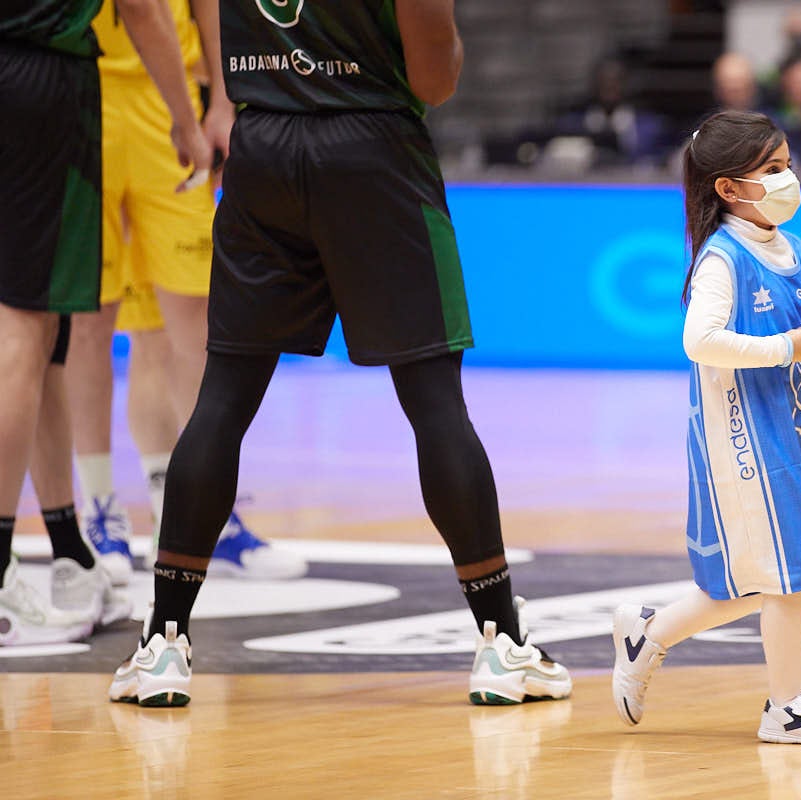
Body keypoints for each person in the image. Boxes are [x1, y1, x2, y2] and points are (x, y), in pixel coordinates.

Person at [108, 0, 571, 708]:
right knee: (434, 403)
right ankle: (502, 643)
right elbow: (434, 79)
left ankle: (163, 645)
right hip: (373, 148)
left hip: (262, 144)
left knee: (222, 399)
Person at [611, 110, 801, 745]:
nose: (787, 178)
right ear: (728, 187)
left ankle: (647, 633)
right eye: (771, 168)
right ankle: (788, 708)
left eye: (787, 164)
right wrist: (785, 346)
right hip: (739, 436)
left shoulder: (800, 251)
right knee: (789, 569)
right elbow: (699, 341)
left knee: (757, 579)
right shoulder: (722, 259)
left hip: (789, 428)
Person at [64, 0, 307, 587]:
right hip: (79, 98)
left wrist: (223, 103)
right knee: (91, 320)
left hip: (166, 102)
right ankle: (101, 514)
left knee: (188, 324)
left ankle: (202, 514)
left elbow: (211, 8)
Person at [0, 0, 209, 645]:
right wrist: (186, 120)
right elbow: (142, 7)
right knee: (25, 332)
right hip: (43, 85)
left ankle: (71, 548)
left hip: (34, 78)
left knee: (48, 335)